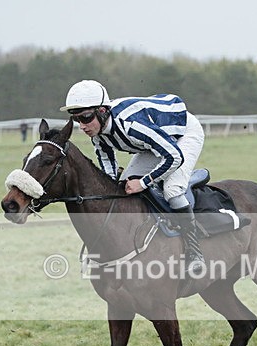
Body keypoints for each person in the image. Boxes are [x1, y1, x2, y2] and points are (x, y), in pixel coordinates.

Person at [60, 79, 206, 274]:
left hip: (183, 133)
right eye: (76, 119)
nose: (82, 126)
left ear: (102, 111)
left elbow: (174, 156)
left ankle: (195, 253)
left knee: (172, 190)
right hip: (152, 140)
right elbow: (108, 168)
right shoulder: (97, 133)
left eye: (86, 117)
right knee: (123, 186)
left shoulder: (132, 126)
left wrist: (144, 182)